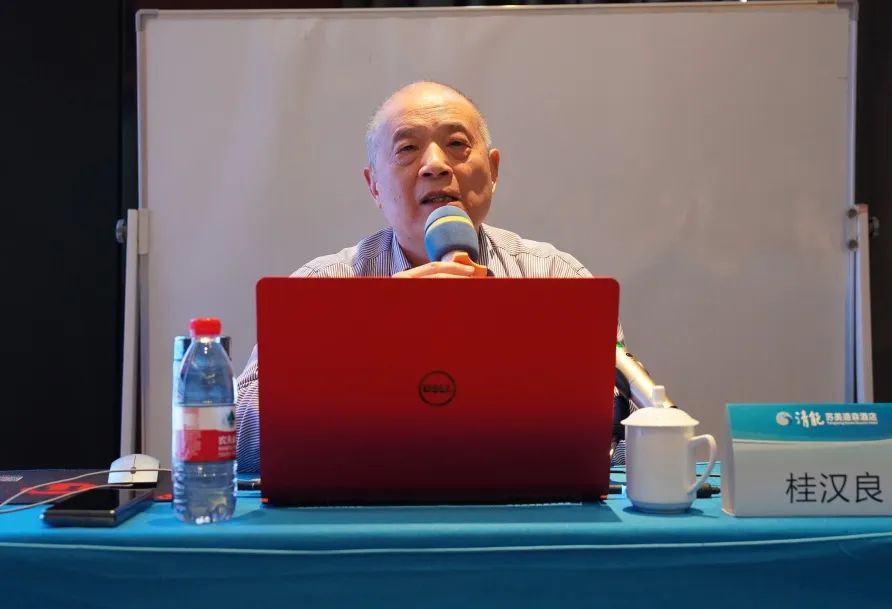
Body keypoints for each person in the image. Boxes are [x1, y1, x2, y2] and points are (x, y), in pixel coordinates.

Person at [235, 81, 629, 473]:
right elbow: (237, 431)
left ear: (493, 170)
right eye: (407, 148)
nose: (436, 164)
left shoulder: (555, 278)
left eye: (457, 144)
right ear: (374, 185)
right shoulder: (321, 286)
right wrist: (371, 330)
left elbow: (629, 433)